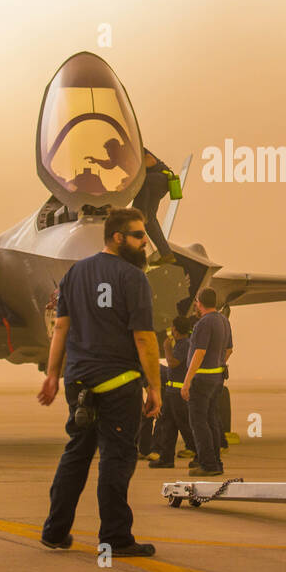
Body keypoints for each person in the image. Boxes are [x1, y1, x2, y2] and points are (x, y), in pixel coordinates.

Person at [38, 207, 161, 557]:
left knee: (76, 455)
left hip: (78, 383)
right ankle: (116, 538)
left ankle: (55, 531)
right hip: (118, 383)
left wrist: (52, 375)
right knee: (116, 459)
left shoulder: (74, 273)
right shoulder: (134, 278)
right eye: (139, 236)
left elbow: (60, 328)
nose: (145, 243)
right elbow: (144, 338)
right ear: (118, 238)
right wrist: (154, 387)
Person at [85, 143, 177, 264]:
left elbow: (151, 160)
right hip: (151, 185)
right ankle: (167, 255)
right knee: (149, 220)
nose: (109, 156)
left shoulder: (129, 149)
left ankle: (137, 219)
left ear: (117, 148)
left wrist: (134, 175)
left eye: (110, 152)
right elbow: (109, 165)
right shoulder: (116, 157)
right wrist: (96, 160)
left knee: (137, 214)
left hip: (160, 179)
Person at [181, 287, 233, 478]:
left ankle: (208, 464)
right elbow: (229, 350)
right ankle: (216, 462)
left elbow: (199, 352)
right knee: (212, 420)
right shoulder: (223, 321)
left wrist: (187, 381)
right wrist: (218, 364)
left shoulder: (203, 323)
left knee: (199, 422)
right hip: (216, 379)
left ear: (199, 302)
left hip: (201, 380)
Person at [148, 316, 196, 469]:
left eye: (173, 327)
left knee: (185, 426)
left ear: (176, 329)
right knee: (167, 426)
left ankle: (199, 454)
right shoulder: (181, 344)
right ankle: (166, 457)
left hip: (178, 393)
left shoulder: (185, 344)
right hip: (170, 391)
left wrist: (166, 348)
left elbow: (173, 363)